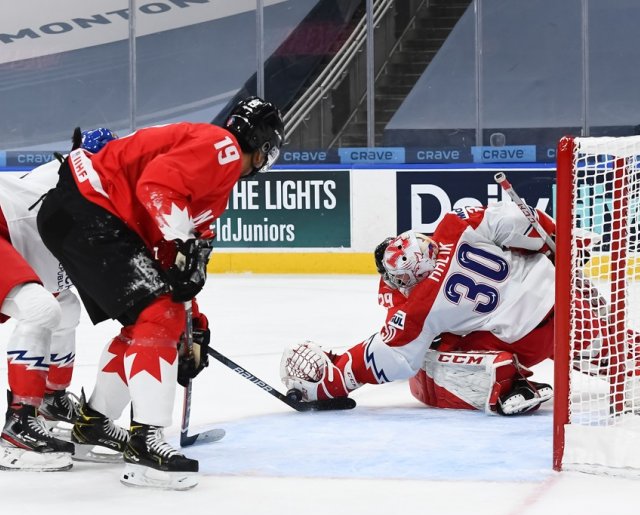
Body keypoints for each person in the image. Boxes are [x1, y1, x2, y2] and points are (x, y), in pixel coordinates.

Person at [36, 97, 284, 489]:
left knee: (151, 320)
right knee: (159, 316)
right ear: (262, 143)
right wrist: (183, 245)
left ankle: (93, 424)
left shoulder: (213, 178)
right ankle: (145, 447)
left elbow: (175, 264)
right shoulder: (222, 148)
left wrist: (194, 326)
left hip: (81, 212)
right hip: (90, 209)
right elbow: (158, 185)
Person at [280, 200, 616, 415]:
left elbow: (388, 356)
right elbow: (511, 219)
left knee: (431, 362)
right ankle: (624, 365)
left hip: (524, 341)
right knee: (616, 352)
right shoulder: (456, 225)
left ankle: (505, 381)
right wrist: (557, 240)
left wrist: (331, 381)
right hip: (563, 298)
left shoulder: (420, 306)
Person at [0, 128, 117, 471]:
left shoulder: (70, 179)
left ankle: (51, 399)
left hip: (14, 237)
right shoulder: (77, 190)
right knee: (41, 310)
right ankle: (18, 426)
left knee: (64, 307)